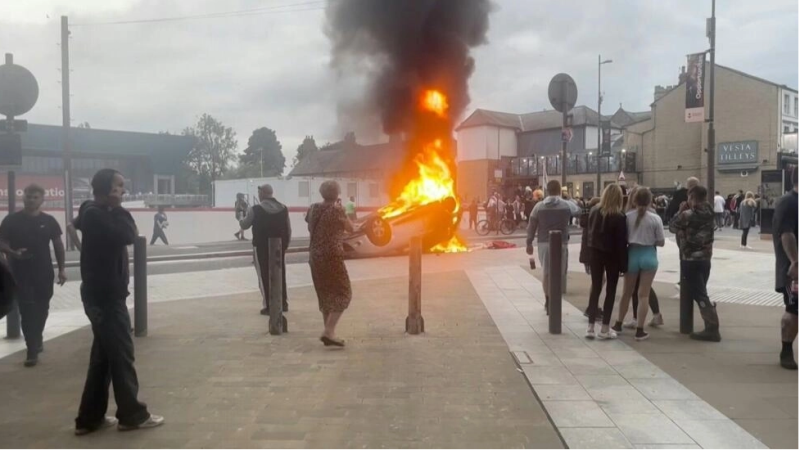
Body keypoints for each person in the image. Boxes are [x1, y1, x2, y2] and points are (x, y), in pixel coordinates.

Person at [73, 169, 163, 435]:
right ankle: (132, 415)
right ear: (107, 189)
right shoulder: (97, 215)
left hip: (102, 295)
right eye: (119, 186)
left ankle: (89, 418)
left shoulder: (94, 213)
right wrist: (120, 209)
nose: (123, 191)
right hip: (106, 297)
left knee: (103, 358)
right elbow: (129, 234)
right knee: (122, 355)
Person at [0, 184, 67, 367]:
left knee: (42, 308)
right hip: (19, 273)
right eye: (28, 196)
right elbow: (2, 243)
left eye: (35, 197)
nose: (31, 199)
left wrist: (61, 269)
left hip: (44, 271)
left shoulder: (49, 221)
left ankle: (37, 337)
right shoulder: (11, 220)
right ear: (23, 198)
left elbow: (58, 245)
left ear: (42, 200)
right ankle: (31, 350)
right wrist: (13, 253)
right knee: (27, 310)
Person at [669, 185, 720, 342]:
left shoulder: (688, 214)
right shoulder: (711, 213)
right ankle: (710, 324)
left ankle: (712, 328)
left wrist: (680, 211)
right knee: (701, 290)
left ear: (692, 197)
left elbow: (672, 226)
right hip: (706, 258)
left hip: (690, 258)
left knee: (699, 294)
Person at [306, 180, 354, 347]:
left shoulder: (312, 208)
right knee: (343, 292)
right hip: (332, 256)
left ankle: (329, 333)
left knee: (325, 293)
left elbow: (309, 225)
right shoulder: (337, 210)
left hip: (314, 256)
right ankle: (328, 331)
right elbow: (351, 228)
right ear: (337, 194)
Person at [613, 187, 665, 341]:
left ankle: (618, 323)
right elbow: (661, 242)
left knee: (626, 293)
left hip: (632, 255)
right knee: (644, 295)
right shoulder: (655, 219)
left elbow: (623, 238)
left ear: (634, 200)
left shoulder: (627, 217)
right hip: (649, 255)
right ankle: (640, 330)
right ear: (650, 201)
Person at [526, 180, 580, 313]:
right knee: (559, 272)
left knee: (546, 272)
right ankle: (556, 298)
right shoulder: (567, 205)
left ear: (547, 191)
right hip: (561, 242)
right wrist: (569, 198)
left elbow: (531, 226)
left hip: (543, 243)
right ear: (559, 191)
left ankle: (548, 300)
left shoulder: (538, 207)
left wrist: (529, 242)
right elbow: (578, 211)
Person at [240, 184, 291, 316]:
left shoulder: (255, 209)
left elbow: (244, 225)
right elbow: (288, 229)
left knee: (263, 275)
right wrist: (285, 246)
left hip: (260, 247)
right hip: (279, 247)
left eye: (259, 192)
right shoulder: (283, 208)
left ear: (262, 194)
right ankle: (283, 303)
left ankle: (269, 305)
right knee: (281, 274)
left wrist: (241, 216)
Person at [584, 186, 627, 340]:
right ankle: (605, 328)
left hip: (595, 253)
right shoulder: (619, 216)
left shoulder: (595, 211)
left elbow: (588, 234)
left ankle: (590, 327)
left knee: (596, 287)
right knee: (610, 291)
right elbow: (621, 243)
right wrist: (624, 264)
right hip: (613, 256)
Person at [772, 167, 798, 370]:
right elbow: (786, 234)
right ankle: (786, 350)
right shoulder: (789, 202)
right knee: (794, 310)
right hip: (794, 271)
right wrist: (795, 262)